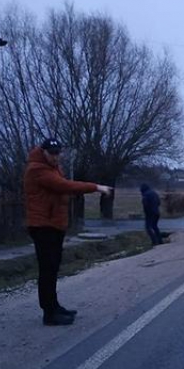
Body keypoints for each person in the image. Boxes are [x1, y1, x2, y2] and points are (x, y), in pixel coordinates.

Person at [24, 138, 112, 326]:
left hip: (53, 224)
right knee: (47, 269)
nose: (56, 157)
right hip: (43, 225)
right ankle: (49, 313)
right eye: (52, 153)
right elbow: (65, 186)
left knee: (53, 268)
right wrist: (95, 187)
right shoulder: (37, 169)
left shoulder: (51, 167)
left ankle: (54, 306)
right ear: (44, 152)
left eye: (58, 153)